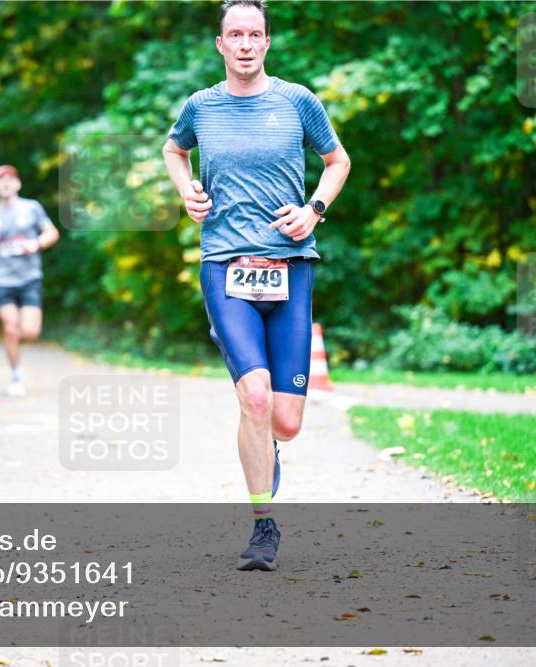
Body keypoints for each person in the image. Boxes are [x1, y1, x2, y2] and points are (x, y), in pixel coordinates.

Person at [162, 0, 351, 571]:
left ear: (267, 42)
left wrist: (314, 210)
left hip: (291, 266)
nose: (245, 44)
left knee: (284, 423)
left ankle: (263, 439)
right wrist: (186, 190)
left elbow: (338, 161)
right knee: (256, 397)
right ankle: (263, 525)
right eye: (235, 35)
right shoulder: (201, 106)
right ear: (221, 44)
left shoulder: (297, 101)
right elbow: (174, 150)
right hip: (225, 266)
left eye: (255, 34)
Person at [0, 165, 60, 397]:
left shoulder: (32, 208)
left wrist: (37, 244)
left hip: (30, 277)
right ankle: (16, 375)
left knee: (30, 332)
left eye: (10, 179)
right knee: (11, 327)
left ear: (18, 184)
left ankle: (14, 346)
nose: (5, 183)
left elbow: (52, 233)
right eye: (0, 180)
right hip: (2, 279)